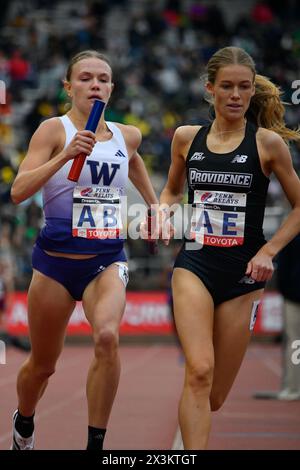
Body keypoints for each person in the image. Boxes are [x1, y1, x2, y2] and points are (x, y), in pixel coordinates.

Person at [10, 50, 158, 450]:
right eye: (86, 78)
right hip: (55, 267)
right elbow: (19, 191)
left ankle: (96, 444)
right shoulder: (52, 130)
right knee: (42, 367)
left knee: (107, 337)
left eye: (103, 79)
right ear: (68, 86)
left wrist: (154, 203)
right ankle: (24, 422)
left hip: (105, 261)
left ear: (111, 87)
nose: (95, 85)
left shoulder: (127, 134)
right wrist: (66, 154)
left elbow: (134, 160)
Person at [157, 46, 300, 449]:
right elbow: (170, 190)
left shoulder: (268, 144)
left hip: (244, 275)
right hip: (195, 265)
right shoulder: (187, 138)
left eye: (244, 87)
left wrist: (268, 250)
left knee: (215, 396)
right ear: (210, 89)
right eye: (227, 87)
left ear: (253, 92)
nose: (236, 95)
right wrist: (162, 211)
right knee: (199, 371)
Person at [254, 234, 300, 400]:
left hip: (294, 296)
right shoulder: (293, 236)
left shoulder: (293, 236)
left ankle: (292, 387)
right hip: (293, 295)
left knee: (294, 342)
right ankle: (291, 386)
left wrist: (286, 292)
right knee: (294, 343)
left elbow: (284, 267)